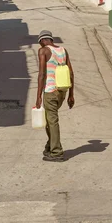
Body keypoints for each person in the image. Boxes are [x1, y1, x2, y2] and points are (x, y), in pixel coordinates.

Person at [35, 29, 75, 162]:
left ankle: (57, 152)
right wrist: (71, 95)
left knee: (52, 122)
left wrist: (39, 96)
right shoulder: (63, 50)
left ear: (42, 40)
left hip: (50, 91)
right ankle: (49, 147)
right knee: (49, 121)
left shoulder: (43, 51)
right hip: (62, 92)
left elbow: (41, 75)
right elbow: (71, 73)